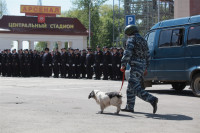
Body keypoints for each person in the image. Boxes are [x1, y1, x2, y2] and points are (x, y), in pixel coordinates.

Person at [120, 25, 158, 114]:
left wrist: (123, 64)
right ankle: (129, 107)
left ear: (129, 32)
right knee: (130, 88)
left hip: (135, 65)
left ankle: (152, 99)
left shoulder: (131, 39)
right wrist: (146, 67)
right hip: (142, 66)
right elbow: (148, 55)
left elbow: (128, 53)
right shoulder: (143, 40)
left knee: (134, 87)